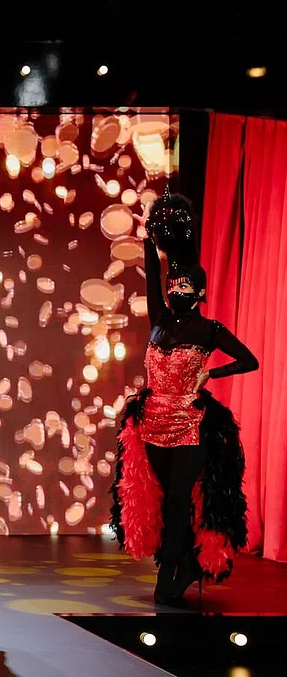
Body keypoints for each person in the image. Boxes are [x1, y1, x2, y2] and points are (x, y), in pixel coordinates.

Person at [110, 189, 258, 606]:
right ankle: (184, 563)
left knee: (178, 500)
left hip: (190, 423)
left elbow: (249, 361)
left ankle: (168, 579)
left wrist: (212, 373)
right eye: (174, 283)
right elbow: (150, 275)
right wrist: (148, 238)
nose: (176, 288)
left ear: (200, 291)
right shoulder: (159, 321)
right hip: (152, 422)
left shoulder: (210, 330)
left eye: (185, 284)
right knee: (163, 502)